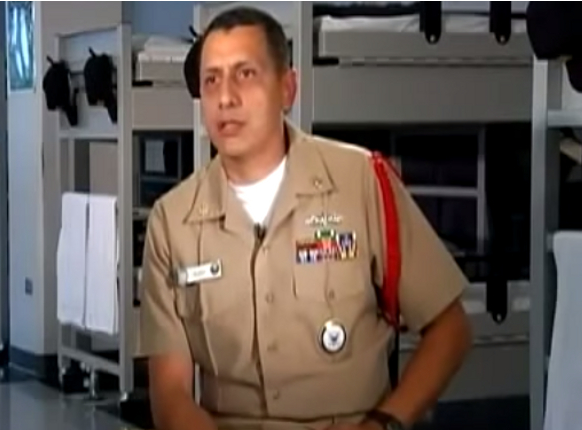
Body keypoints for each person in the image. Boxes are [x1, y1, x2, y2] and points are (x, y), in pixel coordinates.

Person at [136, 6, 473, 430]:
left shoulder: (361, 181)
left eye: (245, 74)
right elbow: (171, 395)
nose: (225, 98)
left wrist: (384, 424)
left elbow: (450, 329)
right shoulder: (172, 222)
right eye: (211, 80)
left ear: (287, 89)